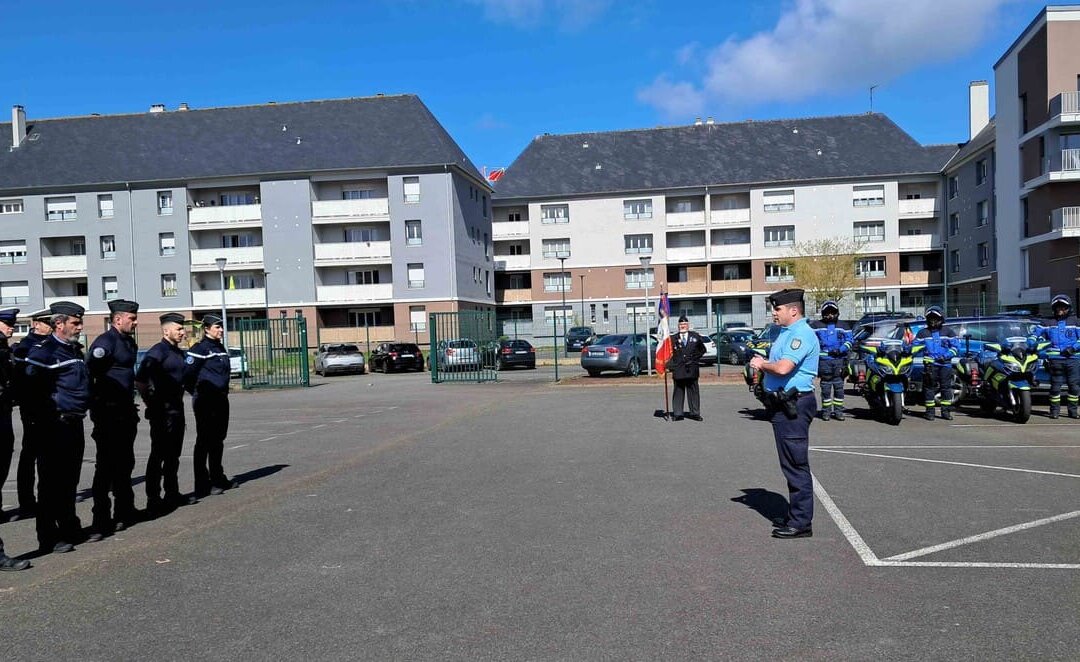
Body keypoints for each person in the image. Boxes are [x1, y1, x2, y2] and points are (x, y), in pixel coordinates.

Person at [748, 289, 820, 539]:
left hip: (794, 405)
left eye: (777, 309)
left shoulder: (801, 334)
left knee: (795, 464)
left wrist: (761, 364)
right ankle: (795, 515)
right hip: (783, 405)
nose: (774, 313)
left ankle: (801, 523)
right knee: (789, 462)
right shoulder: (787, 332)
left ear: (794, 310)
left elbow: (783, 367)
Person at [25, 301, 90, 554]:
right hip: (53, 425)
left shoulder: (73, 350)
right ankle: (48, 536)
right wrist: (43, 421)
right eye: (75, 323)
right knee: (51, 483)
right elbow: (32, 391)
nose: (80, 327)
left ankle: (68, 526)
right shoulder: (44, 353)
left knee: (69, 480)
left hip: (74, 423)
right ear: (59, 324)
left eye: (80, 323)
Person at [86, 299, 142, 542]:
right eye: (132, 318)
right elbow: (90, 374)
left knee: (125, 463)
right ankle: (101, 519)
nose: (136, 322)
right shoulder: (105, 343)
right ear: (118, 319)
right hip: (108, 413)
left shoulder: (128, 342)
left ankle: (124, 510)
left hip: (125, 412)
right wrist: (99, 405)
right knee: (106, 467)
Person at [136, 313, 196, 516]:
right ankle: (153, 498)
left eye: (182, 328)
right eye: (178, 329)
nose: (182, 332)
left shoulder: (177, 353)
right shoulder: (157, 352)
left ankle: (172, 492)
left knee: (173, 455)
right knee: (158, 455)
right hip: (161, 413)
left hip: (177, 410)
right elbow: (141, 381)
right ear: (166, 330)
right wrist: (151, 403)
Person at [185, 314, 240, 497]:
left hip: (221, 399)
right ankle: (202, 482)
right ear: (207, 329)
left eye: (222, 326)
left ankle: (218, 477)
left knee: (218, 439)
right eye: (217, 327)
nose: (221, 330)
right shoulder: (200, 348)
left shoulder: (220, 347)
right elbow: (187, 374)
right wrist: (198, 393)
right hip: (205, 401)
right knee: (204, 441)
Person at [10, 308, 53, 521]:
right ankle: (26, 501)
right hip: (33, 407)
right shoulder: (25, 347)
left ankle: (48, 497)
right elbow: (22, 379)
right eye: (48, 323)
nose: (51, 326)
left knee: (49, 455)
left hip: (50, 406)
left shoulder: (51, 344)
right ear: (36, 324)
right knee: (30, 453)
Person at [1034, 294, 1080, 419]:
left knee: (1074, 387)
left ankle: (1073, 412)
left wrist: (1073, 348)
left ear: (1068, 308)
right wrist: (1031, 342)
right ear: (1054, 308)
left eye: (1063, 306)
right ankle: (1054, 411)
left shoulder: (1076, 321)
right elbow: (1035, 335)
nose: (1060, 309)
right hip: (1055, 360)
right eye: (1058, 306)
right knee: (1055, 387)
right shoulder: (1047, 322)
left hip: (1073, 359)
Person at [809, 300, 852, 421]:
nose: (830, 315)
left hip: (840, 361)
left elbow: (849, 341)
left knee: (839, 387)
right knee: (826, 388)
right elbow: (812, 342)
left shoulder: (844, 326)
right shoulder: (815, 326)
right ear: (823, 313)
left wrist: (841, 349)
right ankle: (826, 412)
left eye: (833, 312)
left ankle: (838, 412)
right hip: (824, 362)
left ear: (837, 312)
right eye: (827, 313)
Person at [914, 306, 958, 421]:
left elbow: (955, 347)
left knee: (946, 388)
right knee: (929, 388)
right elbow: (915, 347)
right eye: (930, 318)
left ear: (941, 319)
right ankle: (930, 413)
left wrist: (946, 356)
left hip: (945, 364)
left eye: (935, 318)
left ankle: (946, 412)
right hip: (930, 365)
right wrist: (906, 350)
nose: (933, 321)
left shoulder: (948, 332)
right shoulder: (922, 333)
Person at [667, 315, 705, 421]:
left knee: (693, 391)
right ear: (678, 326)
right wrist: (671, 365)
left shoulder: (695, 336)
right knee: (678, 391)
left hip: (692, 368)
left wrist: (694, 359)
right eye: (680, 324)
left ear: (688, 325)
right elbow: (668, 354)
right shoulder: (673, 338)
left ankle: (695, 413)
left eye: (684, 324)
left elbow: (702, 350)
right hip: (678, 369)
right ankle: (678, 413)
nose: (682, 326)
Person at [0, 308, 18, 522]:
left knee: (5, 457)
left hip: (5, 409)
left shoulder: (6, 348)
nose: (11, 328)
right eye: (7, 324)